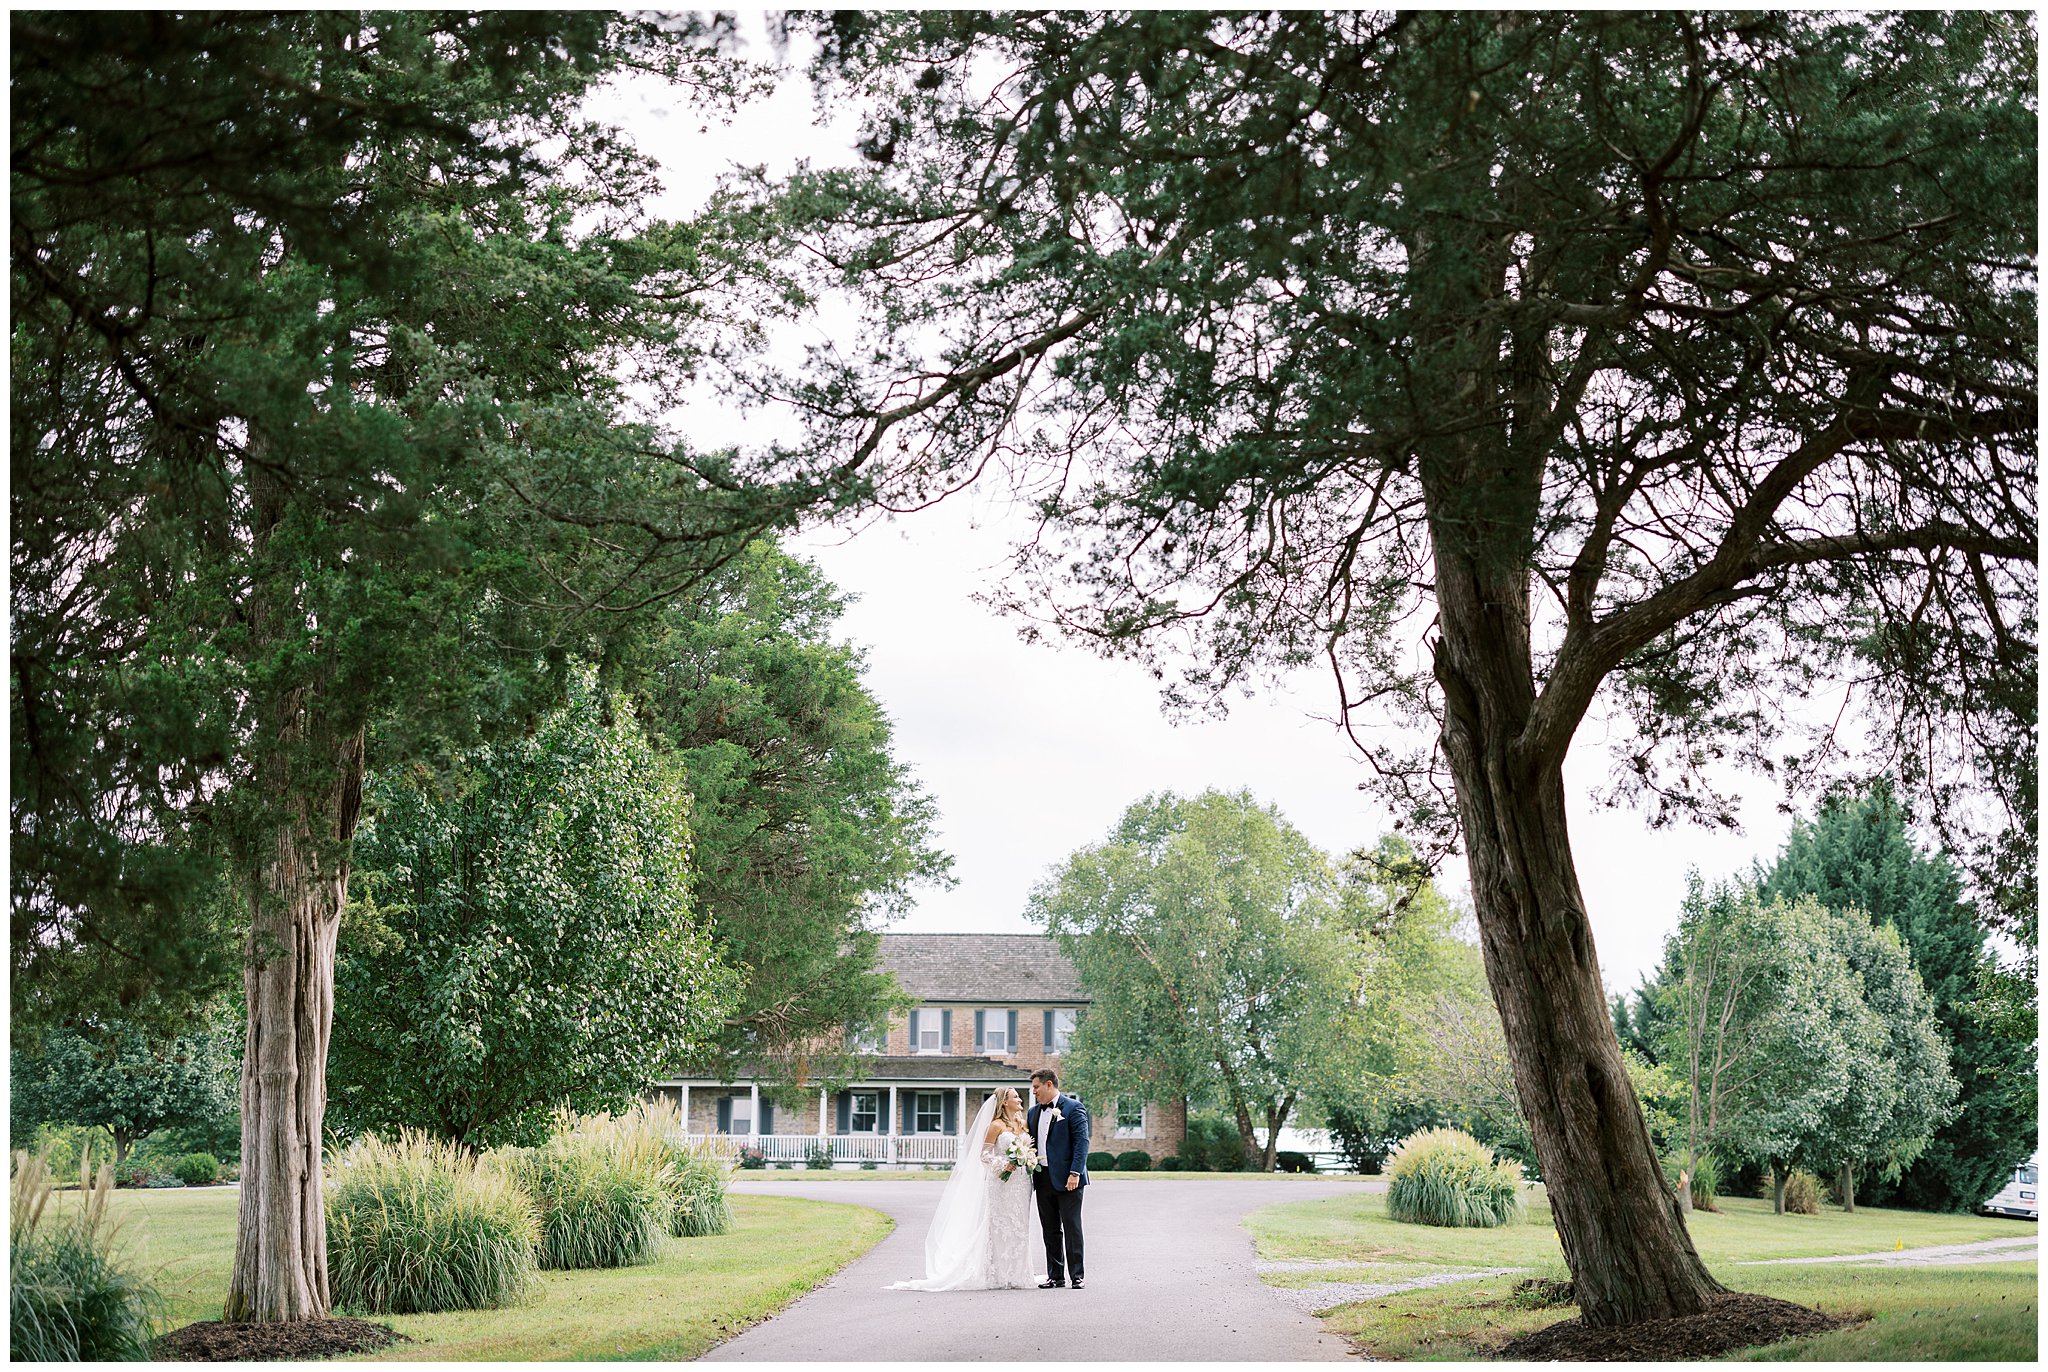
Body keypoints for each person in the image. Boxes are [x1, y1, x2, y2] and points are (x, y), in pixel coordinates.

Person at [886, 1086, 1039, 1291]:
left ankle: (1019, 1273)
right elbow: (984, 1155)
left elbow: (1028, 1149)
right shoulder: (995, 1126)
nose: (1020, 1100)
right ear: (1004, 1102)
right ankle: (997, 1273)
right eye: (1015, 1097)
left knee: (1019, 1225)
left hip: (1021, 1184)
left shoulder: (1023, 1124)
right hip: (1001, 1183)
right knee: (998, 1225)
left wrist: (1027, 1159)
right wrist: (1004, 1165)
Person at [1028, 1067, 1090, 1289]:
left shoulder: (1073, 1108)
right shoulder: (1033, 1112)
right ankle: (1055, 1276)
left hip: (1068, 1178)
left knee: (1072, 1227)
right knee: (1050, 1229)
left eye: (1036, 1087)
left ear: (1048, 1084)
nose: (1033, 1092)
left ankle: (1077, 1276)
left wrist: (1075, 1173)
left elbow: (1082, 1142)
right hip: (1042, 1178)